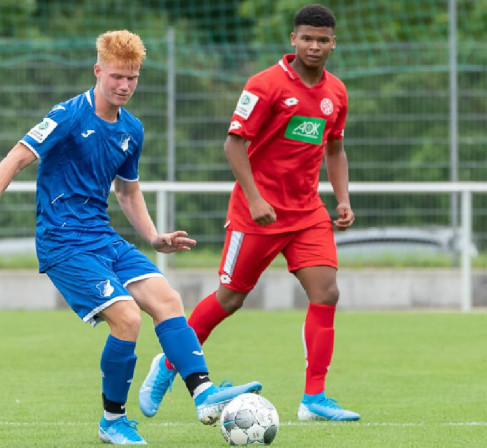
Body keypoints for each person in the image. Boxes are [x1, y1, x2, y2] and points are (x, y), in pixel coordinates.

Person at [0, 30, 261, 445]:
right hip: (63, 242)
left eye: (133, 78)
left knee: (168, 299)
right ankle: (112, 421)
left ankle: (204, 395)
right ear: (97, 71)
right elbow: (16, 157)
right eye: (116, 77)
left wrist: (154, 237)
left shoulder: (132, 129)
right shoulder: (69, 115)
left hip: (102, 237)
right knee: (126, 317)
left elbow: (127, 190)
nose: (124, 86)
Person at [138, 4, 361, 422]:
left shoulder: (337, 93)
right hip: (255, 213)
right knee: (231, 298)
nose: (314, 46)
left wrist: (342, 198)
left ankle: (314, 398)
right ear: (293, 40)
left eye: (323, 39)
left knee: (327, 293)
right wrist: (255, 198)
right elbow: (233, 144)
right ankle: (168, 365)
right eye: (307, 38)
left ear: (334, 43)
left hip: (307, 212)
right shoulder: (265, 84)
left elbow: (335, 147)